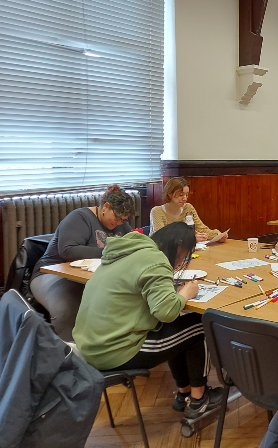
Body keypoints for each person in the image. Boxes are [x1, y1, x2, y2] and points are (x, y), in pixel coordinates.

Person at [72, 222, 223, 417]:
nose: (181, 261)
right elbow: (167, 312)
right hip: (115, 350)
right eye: (185, 255)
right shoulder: (155, 260)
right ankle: (198, 400)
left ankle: (184, 393)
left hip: (90, 346)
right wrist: (185, 293)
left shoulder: (128, 253)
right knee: (201, 324)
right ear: (178, 245)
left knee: (179, 328)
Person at [30, 185, 134, 340]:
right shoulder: (80, 218)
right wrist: (111, 252)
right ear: (106, 207)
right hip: (52, 273)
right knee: (67, 309)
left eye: (123, 220)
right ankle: (71, 356)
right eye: (117, 217)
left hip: (91, 277)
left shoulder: (121, 225)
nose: (119, 223)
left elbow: (130, 246)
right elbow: (68, 251)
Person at [150, 177, 227, 243]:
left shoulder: (188, 208)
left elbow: (202, 229)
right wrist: (191, 240)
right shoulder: (157, 211)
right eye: (181, 195)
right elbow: (162, 239)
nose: (185, 199)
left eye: (186, 195)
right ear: (169, 194)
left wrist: (218, 235)